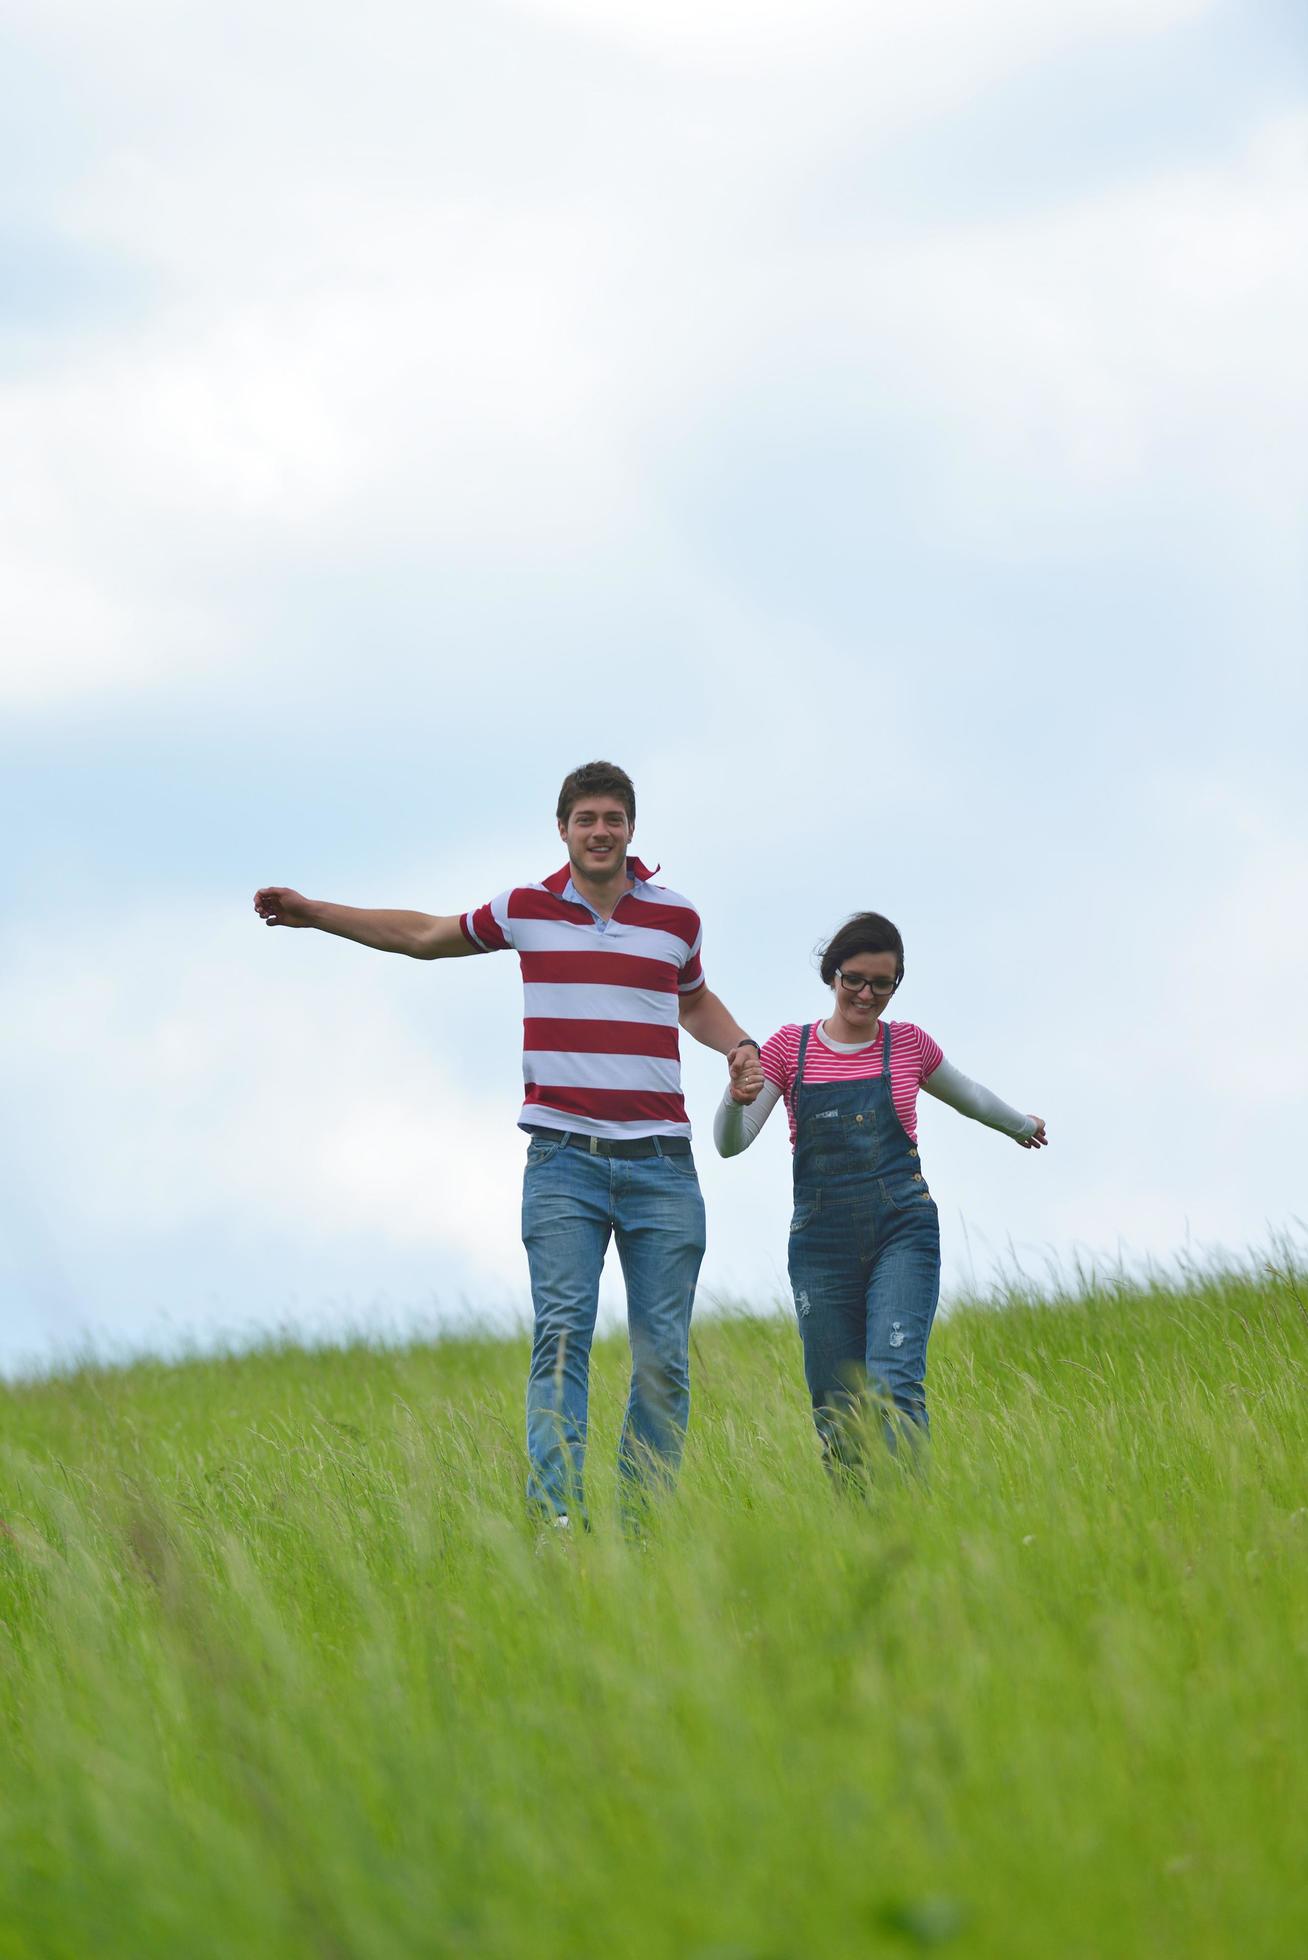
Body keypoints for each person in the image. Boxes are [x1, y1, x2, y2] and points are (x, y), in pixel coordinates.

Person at [255, 760, 760, 1527]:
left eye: (613, 820)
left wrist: (740, 1046)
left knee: (664, 1358)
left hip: (662, 1163)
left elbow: (693, 1001)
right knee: (562, 1340)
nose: (600, 832)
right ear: (563, 829)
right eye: (585, 819)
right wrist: (315, 913)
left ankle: (644, 1527)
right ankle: (559, 1521)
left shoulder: (676, 919)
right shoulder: (525, 908)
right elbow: (424, 936)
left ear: (631, 829)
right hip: (563, 1164)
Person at [714, 910, 1046, 1474]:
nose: (866, 994)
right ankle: (859, 1532)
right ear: (832, 974)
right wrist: (734, 1100)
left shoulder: (908, 1045)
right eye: (854, 980)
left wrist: (1021, 1124)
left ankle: (910, 1517)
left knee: (893, 1384)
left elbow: (968, 1094)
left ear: (895, 985)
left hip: (902, 1229)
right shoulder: (787, 1050)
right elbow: (731, 1144)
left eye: (881, 984)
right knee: (836, 1405)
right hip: (820, 1243)